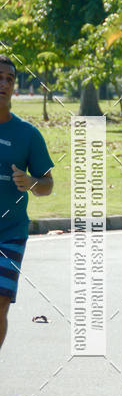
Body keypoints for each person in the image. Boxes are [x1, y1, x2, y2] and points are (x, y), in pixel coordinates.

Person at [0, 56, 54, 351]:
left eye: (9, 79)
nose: (4, 83)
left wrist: (31, 182)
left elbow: (47, 185)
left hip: (10, 232)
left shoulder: (28, 135)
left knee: (1, 302)